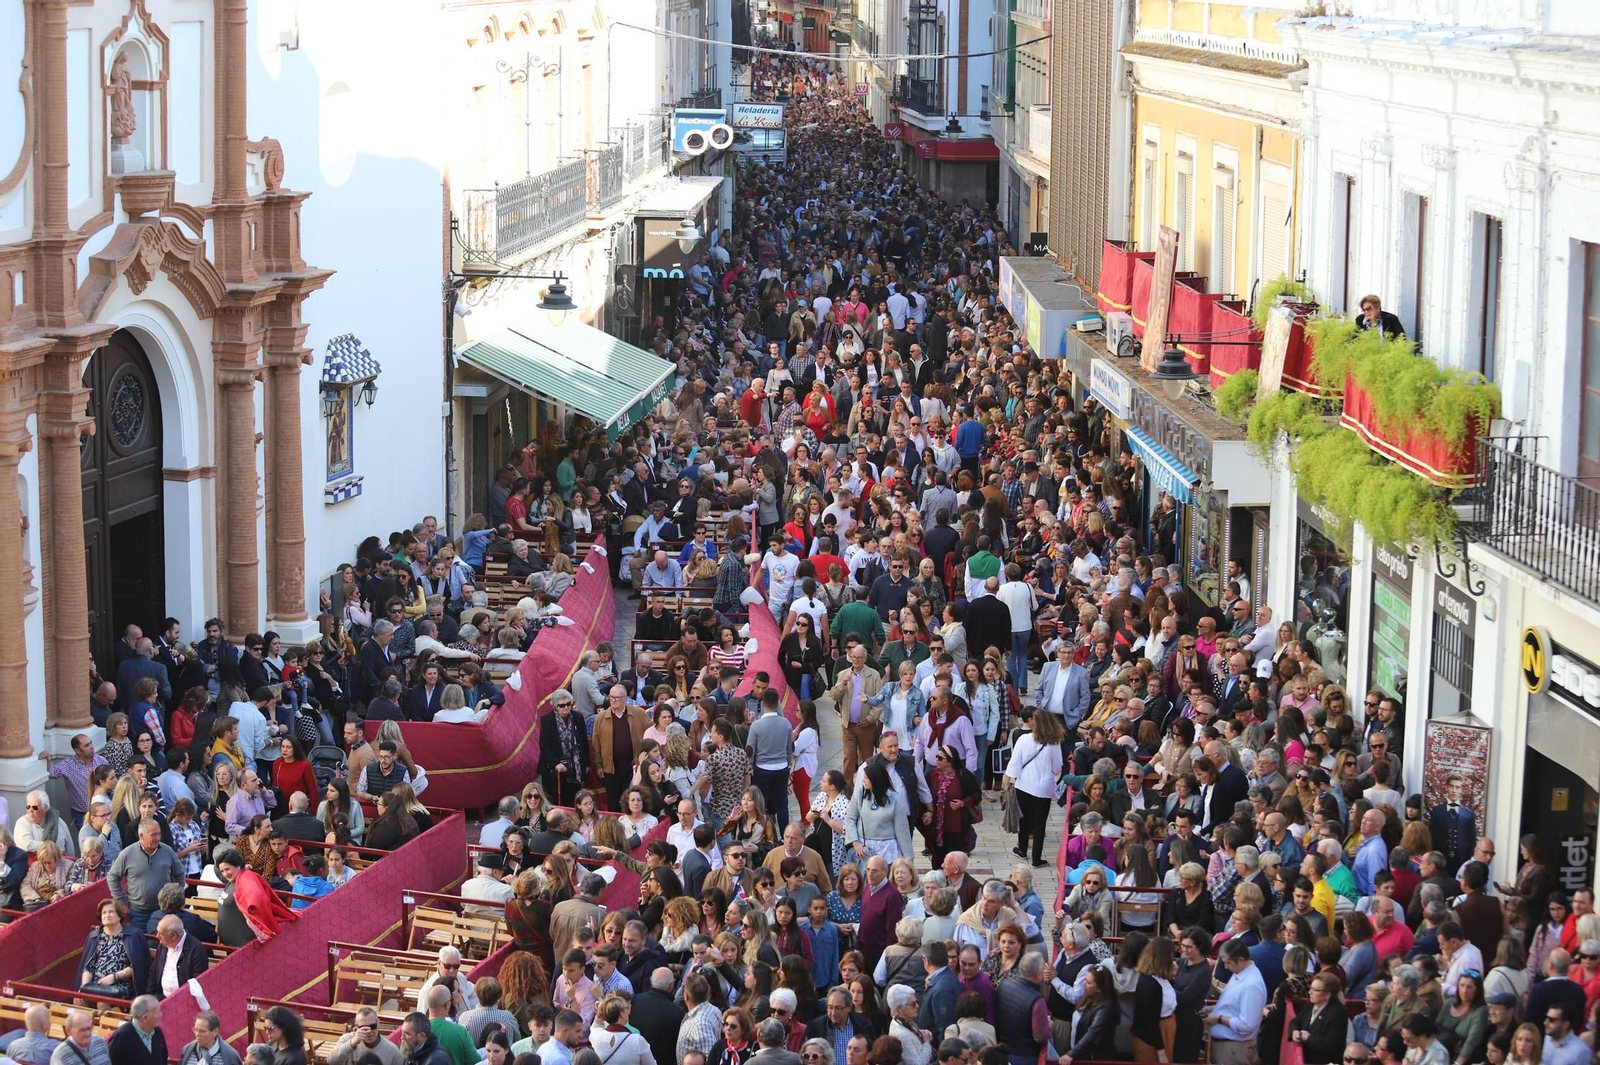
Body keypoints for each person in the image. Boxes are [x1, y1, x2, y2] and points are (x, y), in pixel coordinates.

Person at [106, 995, 167, 1065]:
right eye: (158, 1012)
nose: (161, 1015)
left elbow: (163, 1058)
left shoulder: (157, 1032)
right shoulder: (121, 1037)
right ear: (145, 1018)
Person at [176, 1011, 244, 1065]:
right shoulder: (187, 1050)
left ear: (215, 1031)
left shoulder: (230, 1056)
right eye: (196, 1030)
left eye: (202, 1031)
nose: (197, 1034)